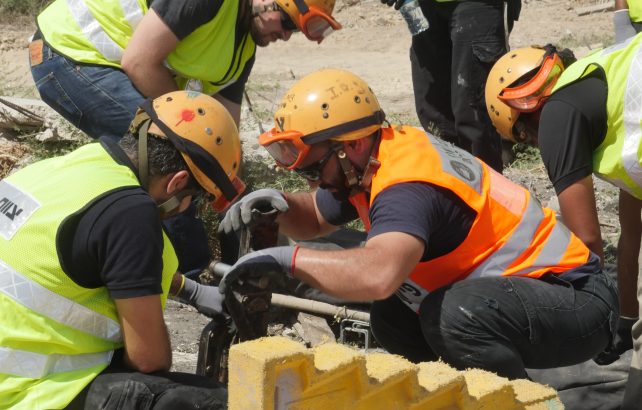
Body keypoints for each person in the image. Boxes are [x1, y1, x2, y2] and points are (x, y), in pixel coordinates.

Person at [217, 68, 619, 380]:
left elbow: (378, 275)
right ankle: (455, 394)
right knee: (393, 316)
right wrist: (280, 207)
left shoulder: (406, 187)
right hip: (522, 295)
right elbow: (315, 218)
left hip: (576, 302)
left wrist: (285, 260)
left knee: (452, 314)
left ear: (351, 145)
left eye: (313, 168)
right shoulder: (369, 159)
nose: (311, 181)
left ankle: (518, 402)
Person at [28, 0, 341, 276]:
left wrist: (238, 194)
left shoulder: (242, 52)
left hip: (112, 67)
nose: (285, 35)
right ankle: (193, 276)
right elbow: (139, 62)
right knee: (173, 158)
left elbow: (226, 139)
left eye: (293, 30)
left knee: (200, 161)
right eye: (285, 21)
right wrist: (192, 143)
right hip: (66, 52)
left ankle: (234, 267)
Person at [0, 91, 243, 409]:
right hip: (22, 392)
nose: (186, 208)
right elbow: (148, 359)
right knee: (211, 401)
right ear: (177, 182)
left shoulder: (65, 169)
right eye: (193, 198)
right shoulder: (130, 211)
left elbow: (69, 259)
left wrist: (191, 290)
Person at [485, 36, 642, 408]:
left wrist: (587, 319)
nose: (538, 146)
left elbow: (586, 241)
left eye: (526, 139)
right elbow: (632, 230)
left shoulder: (557, 114)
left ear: (523, 117)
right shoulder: (603, 82)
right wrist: (624, 317)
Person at [379, 0, 522, 172]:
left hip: (476, 5)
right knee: (433, 112)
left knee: (473, 113)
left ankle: (486, 182)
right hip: (423, 6)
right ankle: (450, 181)